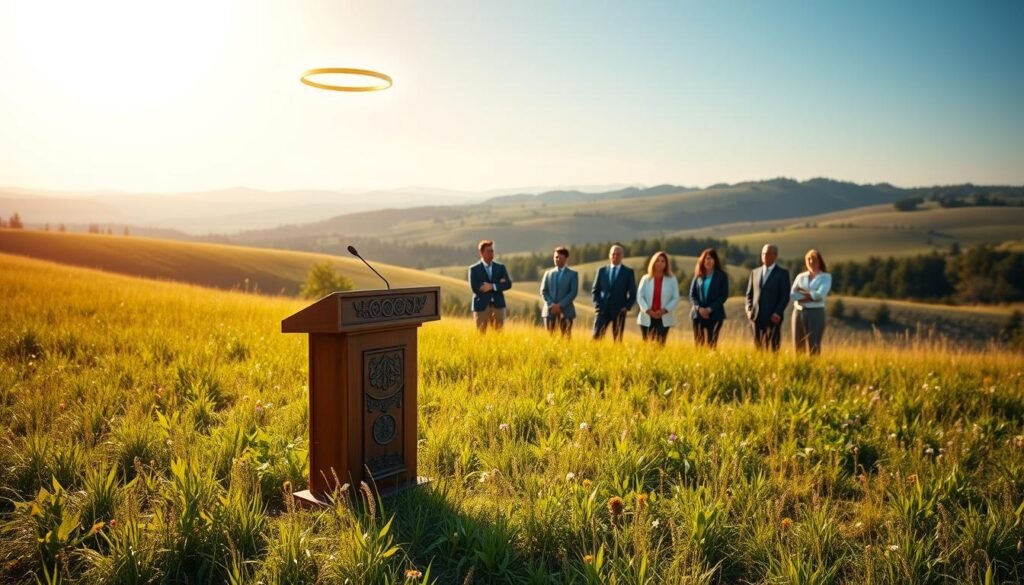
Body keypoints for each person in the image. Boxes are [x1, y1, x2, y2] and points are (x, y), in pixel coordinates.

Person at [744, 243, 791, 351]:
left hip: (773, 317)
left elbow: (785, 296)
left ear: (775, 256)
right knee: (758, 347)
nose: (765, 256)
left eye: (768, 254)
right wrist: (748, 309)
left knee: (773, 347)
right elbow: (749, 295)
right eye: (763, 254)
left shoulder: (782, 274)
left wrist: (778, 312)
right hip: (756, 316)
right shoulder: (754, 272)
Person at [591, 244, 636, 341]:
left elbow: (633, 293)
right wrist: (597, 305)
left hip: (619, 311)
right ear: (609, 255)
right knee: (596, 338)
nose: (615, 256)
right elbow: (595, 290)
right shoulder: (601, 271)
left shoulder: (628, 272)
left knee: (617, 340)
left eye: (618, 254)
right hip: (602, 310)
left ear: (622, 256)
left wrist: (626, 307)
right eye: (613, 254)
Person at [791, 249, 832, 355]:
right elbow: (792, 294)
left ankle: (814, 368)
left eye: (813, 259)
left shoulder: (825, 277)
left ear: (819, 261)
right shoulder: (801, 276)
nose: (811, 262)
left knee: (814, 344)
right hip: (799, 312)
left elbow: (820, 295)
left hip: (815, 313)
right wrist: (811, 295)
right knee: (798, 343)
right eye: (808, 259)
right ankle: (800, 367)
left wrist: (802, 293)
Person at [468, 239, 512, 333]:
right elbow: (475, 287)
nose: (491, 253)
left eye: (492, 251)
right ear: (481, 253)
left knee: (499, 336)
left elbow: (508, 284)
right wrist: (499, 284)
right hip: (481, 307)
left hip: (498, 306)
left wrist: (492, 286)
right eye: (488, 251)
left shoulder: (500, 268)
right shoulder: (474, 269)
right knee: (481, 336)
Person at [636, 251, 680, 344]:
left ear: (666, 264)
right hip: (647, 316)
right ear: (653, 262)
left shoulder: (672, 279)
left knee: (660, 345)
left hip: (663, 317)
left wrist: (664, 310)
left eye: (663, 261)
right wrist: (648, 310)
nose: (660, 263)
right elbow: (640, 296)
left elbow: (675, 297)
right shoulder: (646, 278)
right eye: (657, 261)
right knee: (647, 345)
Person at [689, 248, 729, 348]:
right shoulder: (698, 275)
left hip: (715, 314)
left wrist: (709, 309)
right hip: (698, 315)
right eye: (705, 258)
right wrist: (699, 308)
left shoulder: (722, 276)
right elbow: (692, 294)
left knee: (711, 345)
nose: (707, 261)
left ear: (715, 260)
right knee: (699, 345)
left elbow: (723, 296)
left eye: (710, 258)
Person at [539, 246, 578, 337]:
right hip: (549, 311)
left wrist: (560, 305)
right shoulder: (548, 273)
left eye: (559, 257)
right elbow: (543, 291)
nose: (556, 259)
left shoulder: (573, 274)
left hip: (566, 312)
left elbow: (573, 292)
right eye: (555, 257)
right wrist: (552, 304)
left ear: (566, 258)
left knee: (566, 338)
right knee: (550, 338)